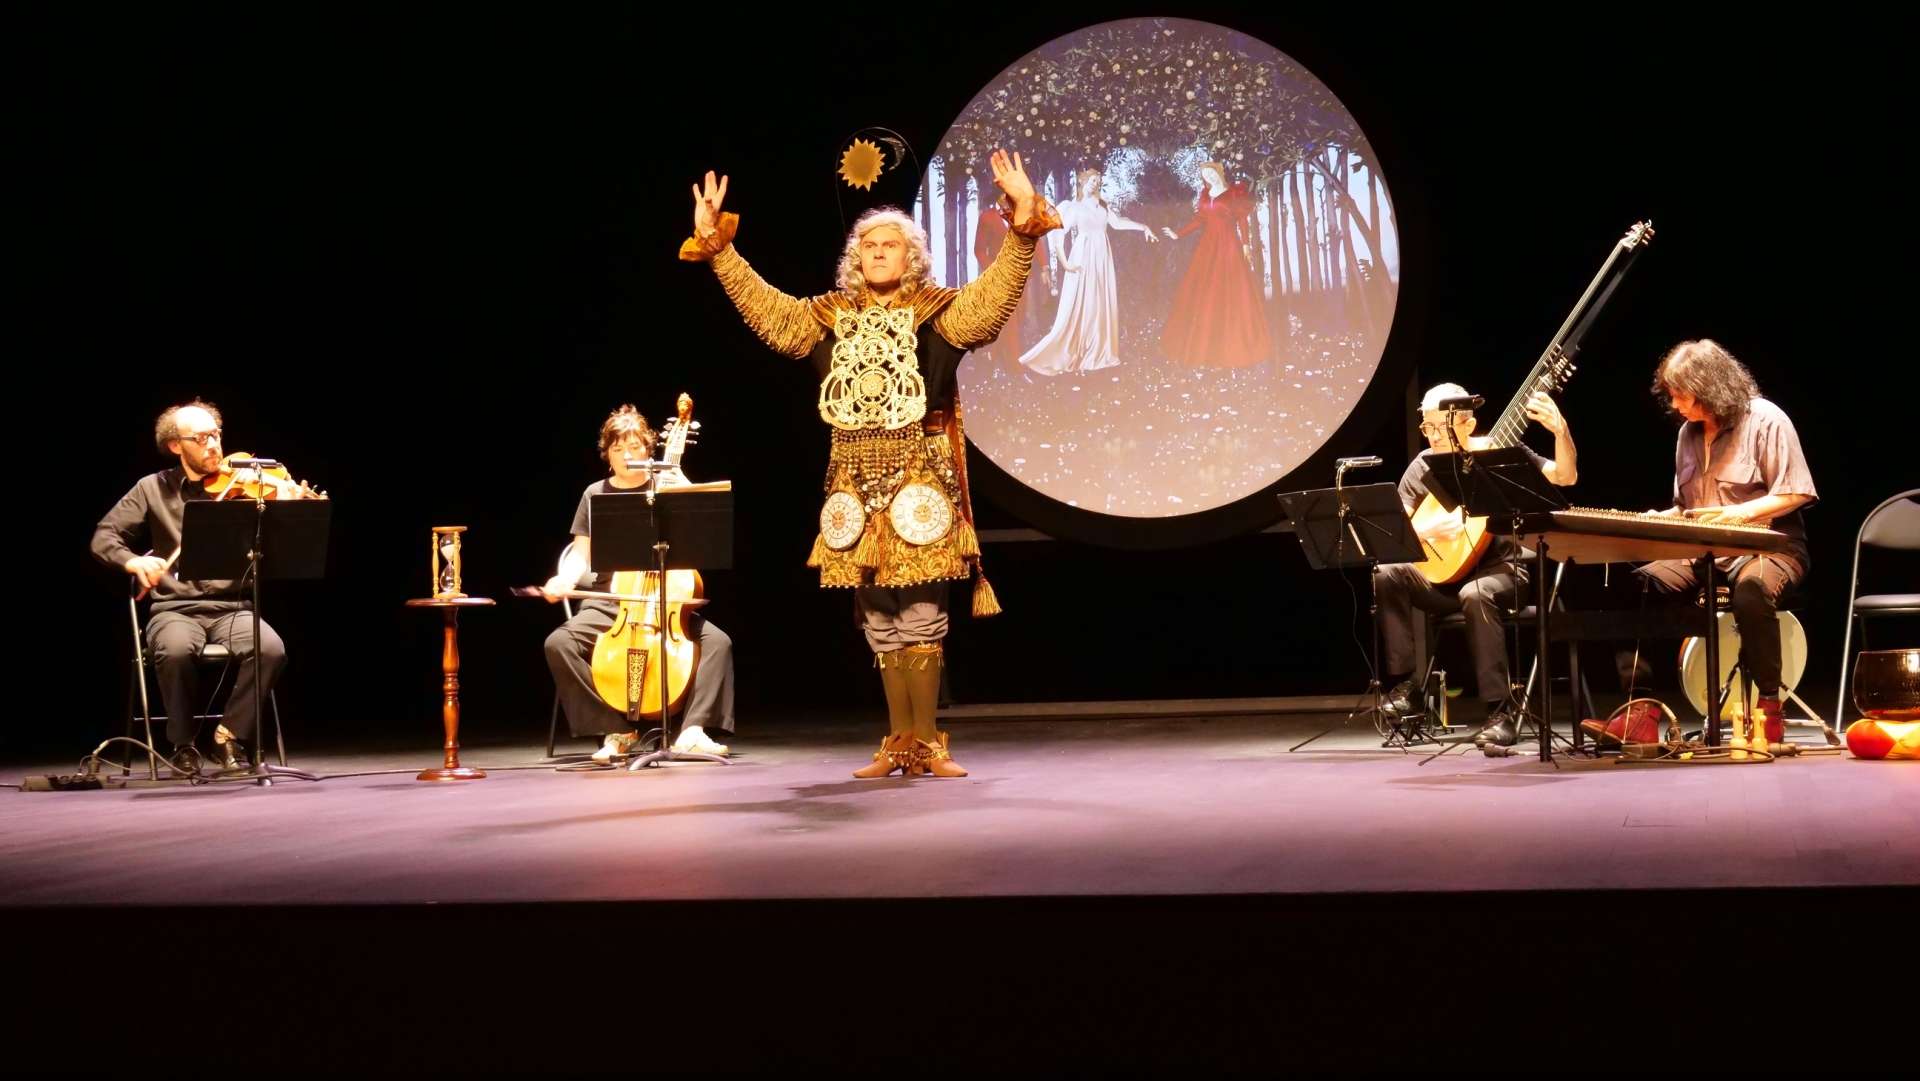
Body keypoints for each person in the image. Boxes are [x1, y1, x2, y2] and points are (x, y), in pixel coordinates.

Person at [681, 148, 1056, 777]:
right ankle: (896, 739)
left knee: (921, 611)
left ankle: (927, 740)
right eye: (869, 246)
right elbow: (767, 310)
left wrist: (1021, 228)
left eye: (891, 245)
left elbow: (993, 301)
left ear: (913, 258)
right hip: (851, 479)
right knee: (879, 612)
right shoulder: (827, 318)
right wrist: (719, 249)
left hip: (920, 474)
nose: (878, 252)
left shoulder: (938, 314)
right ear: (855, 260)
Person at [91, 400, 313, 773]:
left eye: (216, 435)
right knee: (174, 651)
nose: (213, 445)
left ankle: (228, 736)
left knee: (271, 649)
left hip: (234, 607)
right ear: (177, 445)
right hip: (175, 609)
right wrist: (134, 560)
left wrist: (291, 509)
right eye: (201, 437)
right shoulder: (152, 489)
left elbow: (281, 546)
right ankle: (182, 745)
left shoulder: (247, 485)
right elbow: (105, 536)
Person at [1618, 340, 1816, 746]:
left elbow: (1797, 492)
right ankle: (1641, 710)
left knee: (1750, 591)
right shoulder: (1686, 436)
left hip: (1769, 547)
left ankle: (1769, 708)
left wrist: (1739, 515)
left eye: (1681, 394)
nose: (1675, 405)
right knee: (1640, 583)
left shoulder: (1766, 419)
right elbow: (1687, 508)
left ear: (1709, 387)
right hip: (1705, 550)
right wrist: (1655, 520)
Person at [1374, 382, 1577, 745]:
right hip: (1443, 581)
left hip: (1501, 576)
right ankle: (1407, 688)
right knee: (1387, 573)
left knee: (1476, 592)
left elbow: (1565, 477)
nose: (1433, 436)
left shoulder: (1498, 453)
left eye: (1441, 426)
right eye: (1428, 427)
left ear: (1468, 425)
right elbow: (1396, 533)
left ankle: (1499, 712)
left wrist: (1560, 432)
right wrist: (1430, 529)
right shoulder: (1422, 466)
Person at [540, 405, 736, 764]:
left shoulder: (667, 486)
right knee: (559, 643)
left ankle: (692, 730)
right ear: (607, 455)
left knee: (718, 643)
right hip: (610, 600)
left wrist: (687, 489)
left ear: (649, 450)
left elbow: (701, 536)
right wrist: (563, 579)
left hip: (665, 600)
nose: (627, 455)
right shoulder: (594, 494)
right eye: (618, 449)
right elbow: (581, 553)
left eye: (634, 447)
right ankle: (616, 729)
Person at [1016, 166, 1157, 376]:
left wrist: (1143, 227)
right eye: (1092, 180)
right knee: (1086, 299)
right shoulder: (1075, 208)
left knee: (1100, 298)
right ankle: (1083, 349)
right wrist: (1065, 264)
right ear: (1082, 183)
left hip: (1102, 256)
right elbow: (1058, 237)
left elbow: (1118, 224)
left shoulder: (1102, 207)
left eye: (1098, 181)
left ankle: (1099, 350)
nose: (1096, 184)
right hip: (1084, 255)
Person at [1159, 161, 1271, 368]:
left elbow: (1242, 220)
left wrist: (1245, 245)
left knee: (1230, 289)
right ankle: (1205, 344)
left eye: (1211, 173)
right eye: (1205, 175)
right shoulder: (1204, 195)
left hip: (1228, 245)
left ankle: (1236, 344)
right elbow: (1199, 220)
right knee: (1204, 289)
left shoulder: (1233, 193)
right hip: (1208, 246)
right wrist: (1178, 234)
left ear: (1219, 172)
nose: (1208, 177)